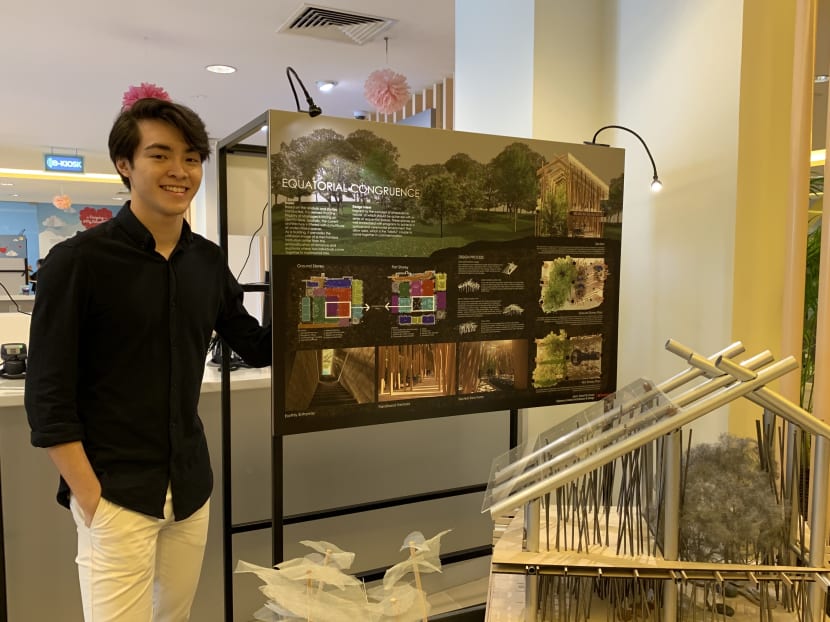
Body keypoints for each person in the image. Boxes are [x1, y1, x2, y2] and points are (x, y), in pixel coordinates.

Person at [24, 96, 271, 621]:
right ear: (125, 164)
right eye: (160, 155)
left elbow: (256, 345)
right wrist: (91, 498)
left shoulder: (207, 261)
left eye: (191, 158)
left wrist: (323, 301)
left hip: (190, 487)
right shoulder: (77, 262)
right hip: (114, 493)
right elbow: (47, 399)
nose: (180, 171)